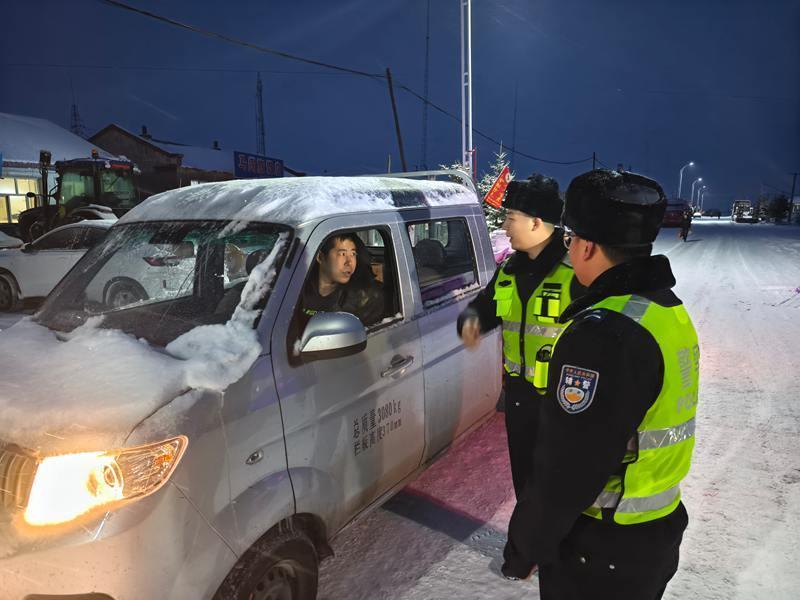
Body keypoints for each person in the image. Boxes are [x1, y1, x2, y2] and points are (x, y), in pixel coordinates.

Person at [501, 169, 700, 600]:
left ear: (587, 246)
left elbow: (568, 466)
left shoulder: (603, 333)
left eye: (571, 238)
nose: (569, 247)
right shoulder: (663, 311)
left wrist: (526, 544)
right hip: (652, 529)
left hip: (600, 547)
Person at [457, 173, 584, 499]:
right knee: (525, 484)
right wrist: (471, 321)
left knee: (560, 489)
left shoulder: (575, 272)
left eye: (511, 218)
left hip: (564, 404)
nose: (504, 227)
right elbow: (485, 308)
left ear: (536, 222)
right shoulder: (509, 271)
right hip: (519, 401)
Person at [300, 231, 384, 327]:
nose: (349, 262)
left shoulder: (365, 299)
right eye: (343, 254)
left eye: (353, 254)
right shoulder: (297, 288)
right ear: (320, 257)